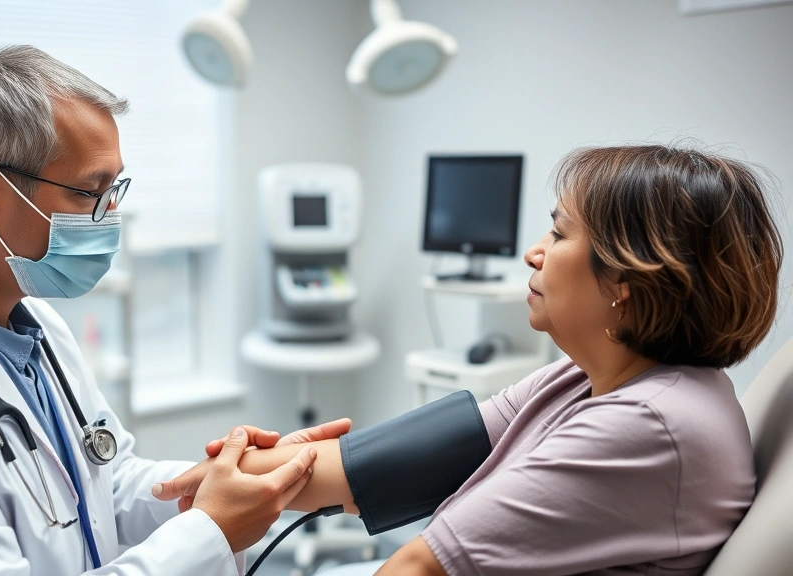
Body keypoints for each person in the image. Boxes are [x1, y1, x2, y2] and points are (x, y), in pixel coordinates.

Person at [0, 45, 352, 576]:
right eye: (89, 192)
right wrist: (209, 531)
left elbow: (108, 485)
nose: (108, 219)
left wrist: (229, 478)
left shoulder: (34, 326)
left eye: (114, 191)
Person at [158, 144, 784, 575]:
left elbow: (416, 567)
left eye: (560, 234)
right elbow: (376, 464)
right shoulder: (588, 378)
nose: (533, 254)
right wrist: (198, 482)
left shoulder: (648, 426)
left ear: (626, 277)